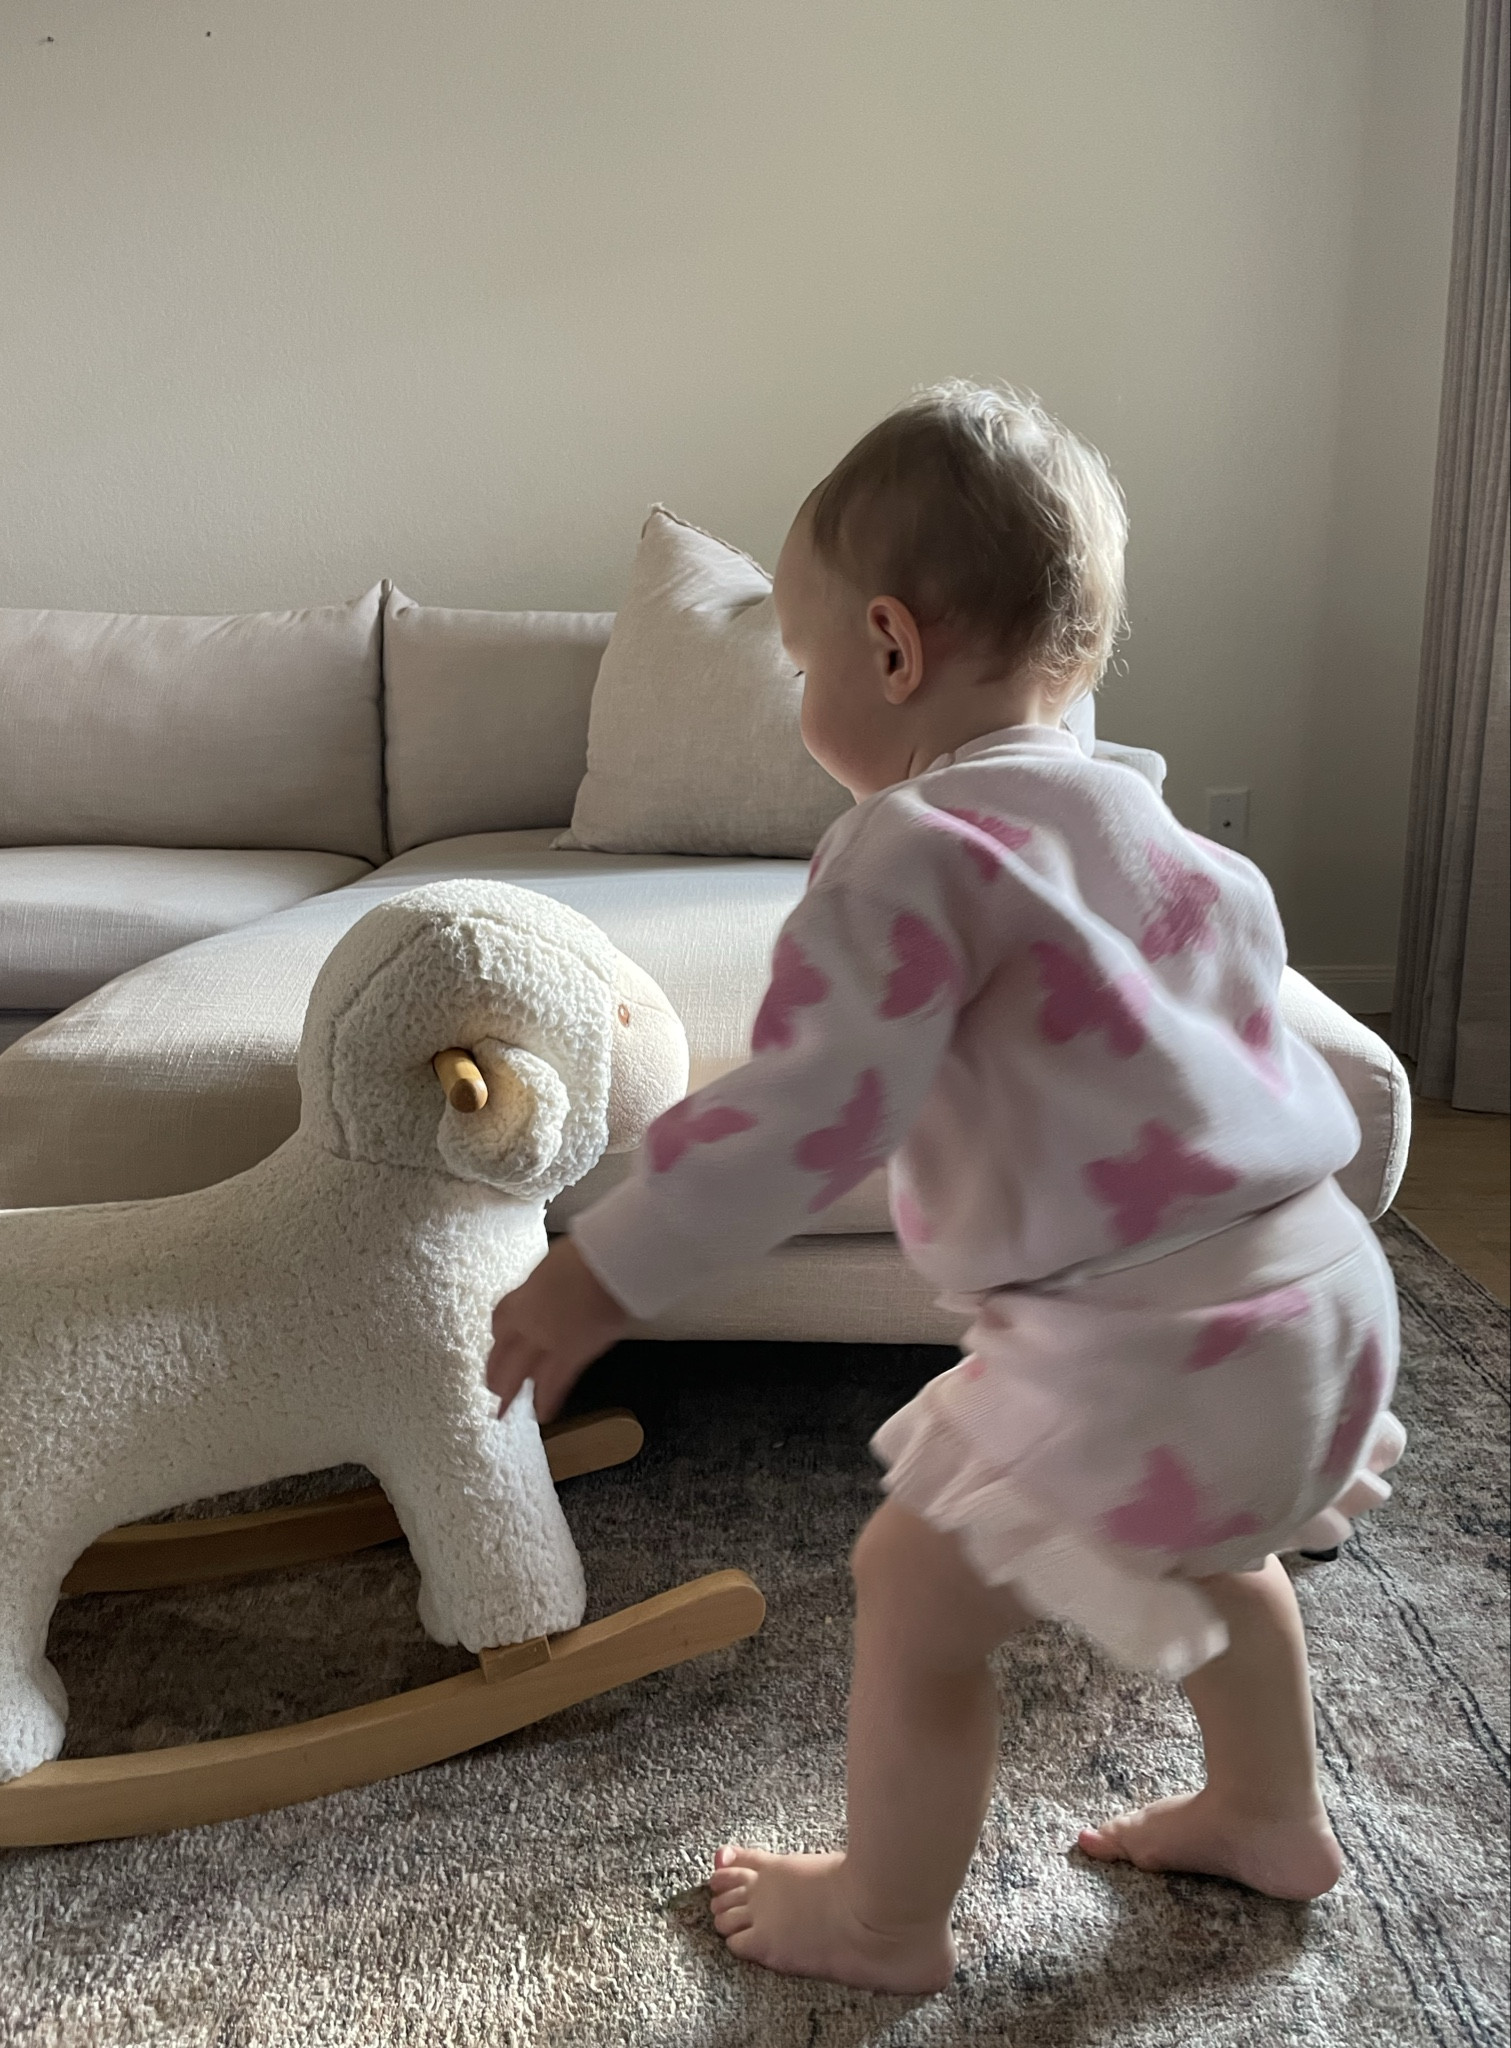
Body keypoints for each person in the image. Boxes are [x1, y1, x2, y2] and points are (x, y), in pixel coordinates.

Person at [484, 381, 1405, 1995]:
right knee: (1222, 1546)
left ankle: (886, 1920)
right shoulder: (1171, 833)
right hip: (1321, 1304)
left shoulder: (910, 847)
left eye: (802, 659)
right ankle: (1269, 1809)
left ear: (892, 652)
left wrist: (595, 1270)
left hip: (1153, 1339)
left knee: (914, 1585)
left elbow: (804, 1114)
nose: (804, 698)